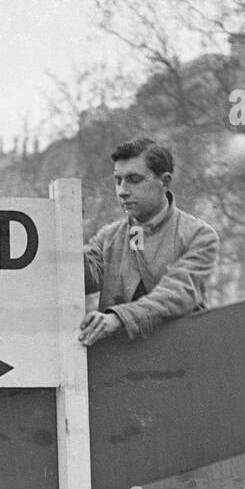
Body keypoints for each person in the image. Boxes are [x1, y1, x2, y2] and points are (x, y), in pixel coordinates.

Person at [79, 136, 219, 347]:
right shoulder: (108, 238)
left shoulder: (198, 235)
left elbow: (177, 294)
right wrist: (65, 236)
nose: (122, 191)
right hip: (119, 366)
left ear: (164, 182)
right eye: (118, 180)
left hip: (183, 360)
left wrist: (118, 318)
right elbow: (77, 278)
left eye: (134, 179)